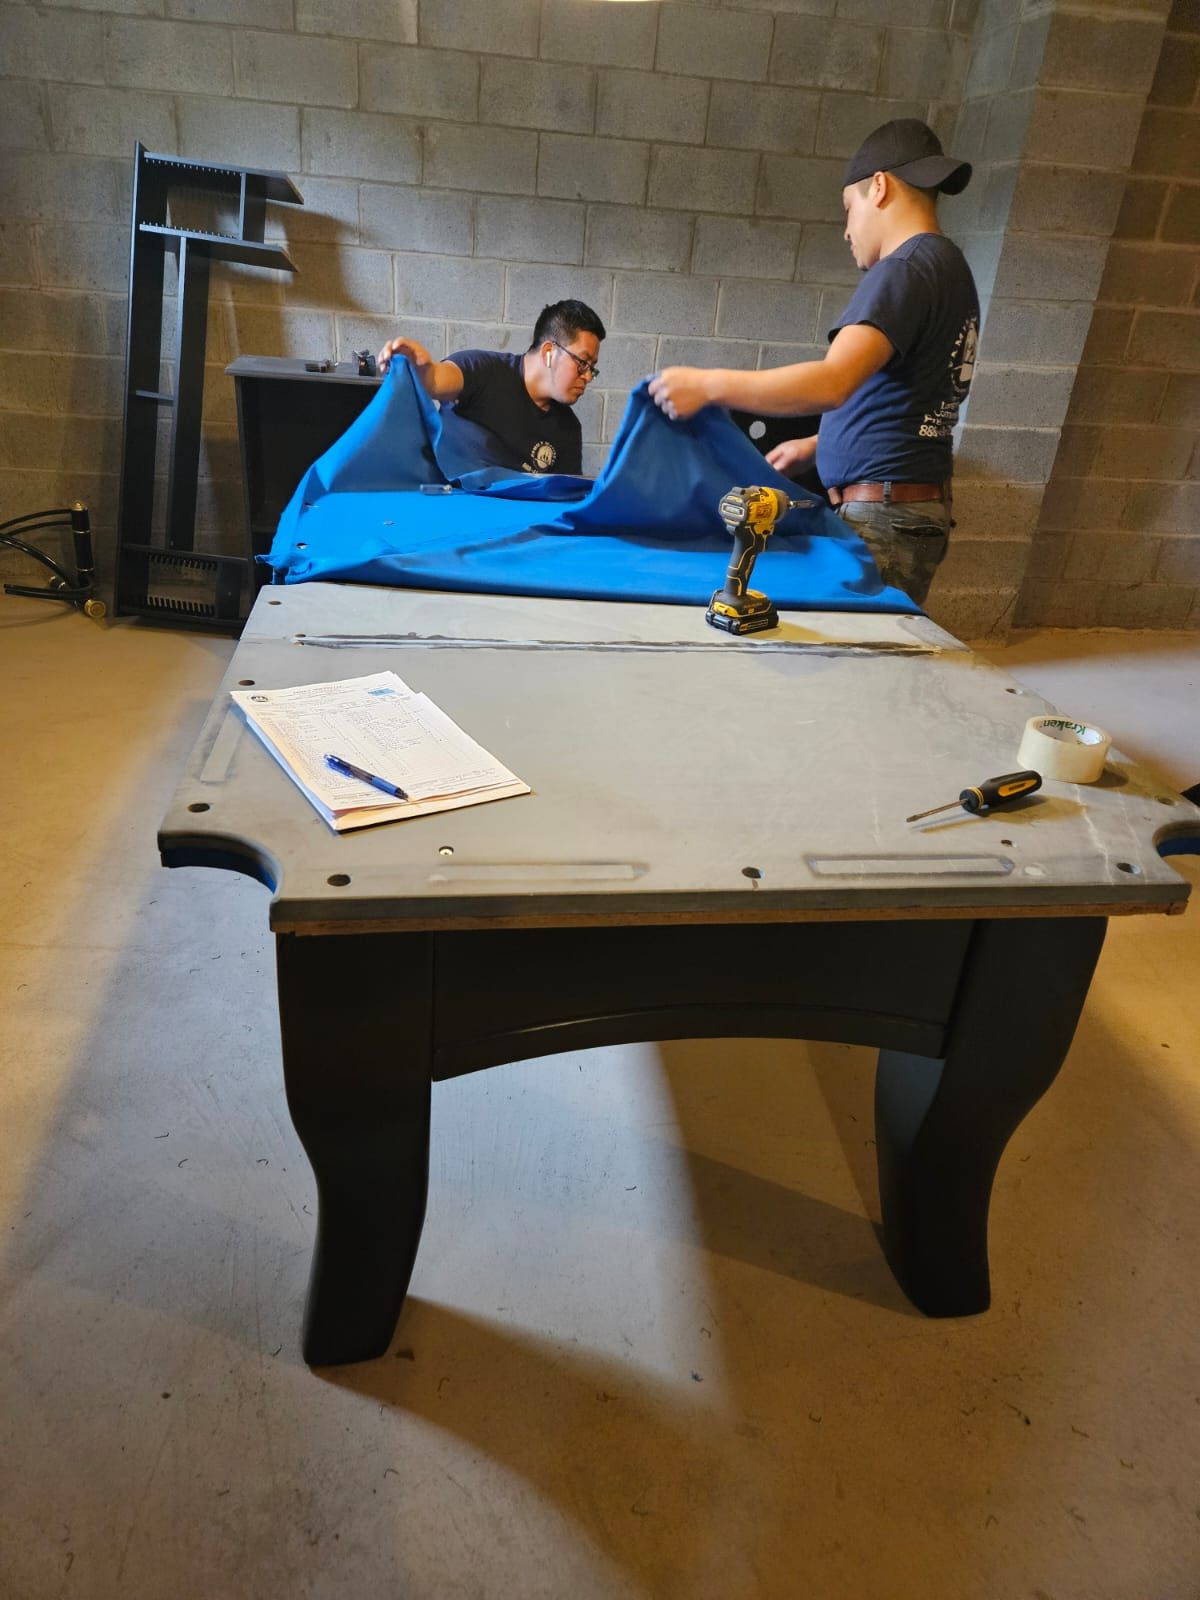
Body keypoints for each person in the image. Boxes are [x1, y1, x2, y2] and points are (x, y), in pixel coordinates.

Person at [648, 119, 979, 606]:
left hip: (883, 518)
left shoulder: (903, 270)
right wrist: (815, 446)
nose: (847, 231)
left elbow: (832, 381)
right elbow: (904, 399)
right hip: (909, 506)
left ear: (880, 187)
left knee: (854, 659)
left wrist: (706, 383)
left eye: (848, 209)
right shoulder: (948, 268)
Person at [376, 299, 606, 478]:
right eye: (583, 363)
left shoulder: (568, 428)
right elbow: (435, 380)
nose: (587, 376)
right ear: (549, 352)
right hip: (445, 507)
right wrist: (418, 371)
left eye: (592, 368)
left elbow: (564, 496)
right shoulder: (481, 369)